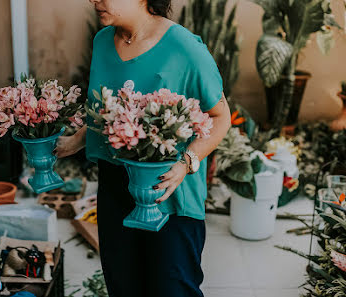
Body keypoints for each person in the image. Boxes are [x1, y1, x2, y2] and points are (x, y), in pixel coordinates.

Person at [53, 0, 231, 296]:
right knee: (123, 286)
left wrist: (186, 162)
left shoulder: (185, 48)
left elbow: (220, 116)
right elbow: (106, 110)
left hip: (168, 192)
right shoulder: (103, 41)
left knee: (172, 289)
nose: (94, 0)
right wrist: (75, 140)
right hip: (114, 189)